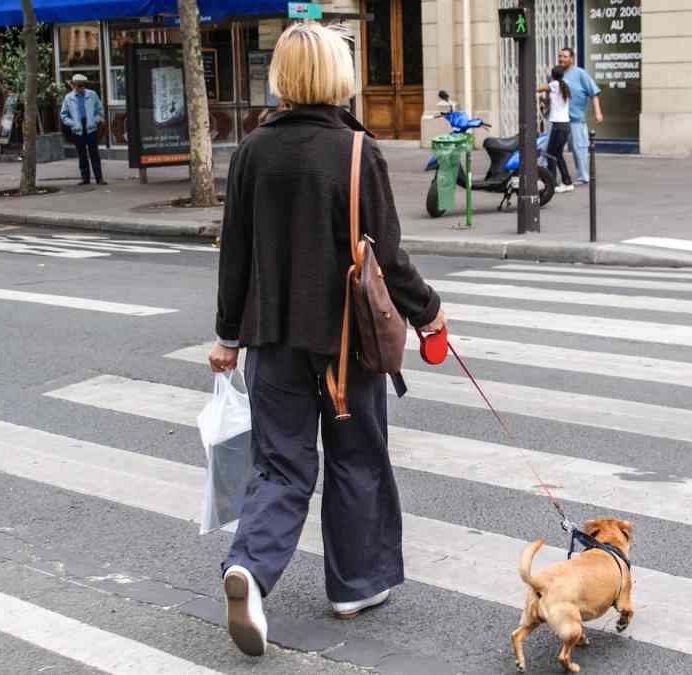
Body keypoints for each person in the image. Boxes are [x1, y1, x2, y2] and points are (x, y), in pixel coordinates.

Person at [207, 22, 446, 657]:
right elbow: (386, 257)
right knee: (356, 456)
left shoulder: (252, 151)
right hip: (346, 344)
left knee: (280, 465)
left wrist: (228, 335)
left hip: (272, 341)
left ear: (282, 77)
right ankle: (354, 586)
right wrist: (429, 314)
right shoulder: (354, 150)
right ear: (339, 77)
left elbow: (236, 255)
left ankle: (249, 572)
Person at [558, 47, 602, 185]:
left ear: (571, 58)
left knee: (579, 148)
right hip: (559, 119)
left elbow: (594, 93)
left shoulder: (580, 74)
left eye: (565, 56)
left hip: (576, 120)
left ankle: (583, 176)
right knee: (552, 148)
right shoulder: (557, 73)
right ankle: (548, 175)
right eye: (560, 56)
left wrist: (598, 112)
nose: (561, 59)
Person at [60, 74, 105, 185]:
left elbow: (100, 111)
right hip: (77, 129)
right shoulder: (68, 98)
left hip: (91, 128)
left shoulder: (92, 95)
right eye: (78, 86)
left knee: (94, 153)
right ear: (74, 85)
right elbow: (63, 115)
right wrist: (73, 124)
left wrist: (95, 120)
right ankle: (85, 179)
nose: (81, 88)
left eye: (82, 85)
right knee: (82, 154)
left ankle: (99, 178)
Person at [538, 66, 573, 193]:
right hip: (565, 125)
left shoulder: (554, 84)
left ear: (552, 75)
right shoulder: (565, 84)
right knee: (557, 154)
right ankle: (567, 182)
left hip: (558, 126)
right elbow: (555, 101)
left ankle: (552, 183)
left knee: (550, 155)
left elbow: (538, 89)